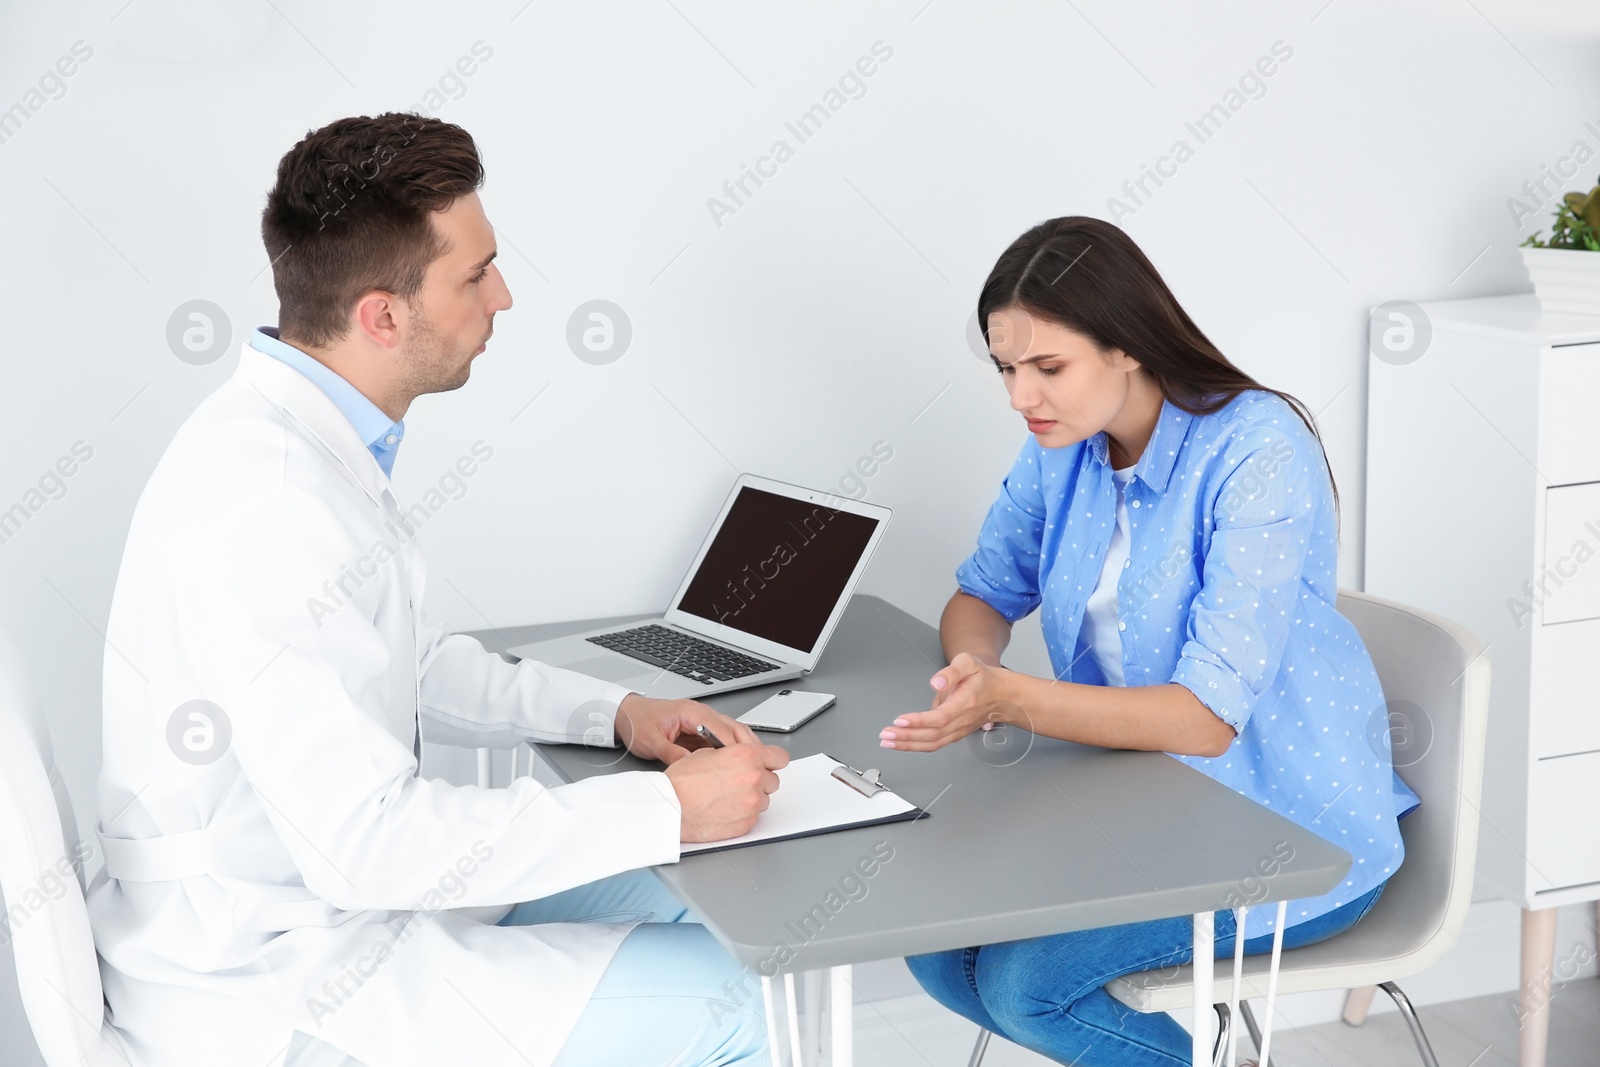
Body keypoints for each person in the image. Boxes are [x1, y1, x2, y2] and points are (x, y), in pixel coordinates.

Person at [87, 113, 787, 1067]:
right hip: (269, 975)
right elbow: (362, 845)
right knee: (735, 1005)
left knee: (703, 899)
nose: (505, 295)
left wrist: (618, 713)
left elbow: (409, 663)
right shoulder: (272, 503)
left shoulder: (297, 442)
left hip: (330, 910)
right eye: (476, 273)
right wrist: (668, 808)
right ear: (383, 315)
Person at [887, 216, 1419, 1066]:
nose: (1021, 398)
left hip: (1287, 831)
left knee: (1027, 986)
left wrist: (1017, 699)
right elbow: (982, 594)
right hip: (1135, 809)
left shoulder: (1257, 447)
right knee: (937, 946)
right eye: (1006, 369)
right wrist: (976, 668)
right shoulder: (1059, 448)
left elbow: (1205, 721)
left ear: (1127, 344)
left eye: (1048, 368)